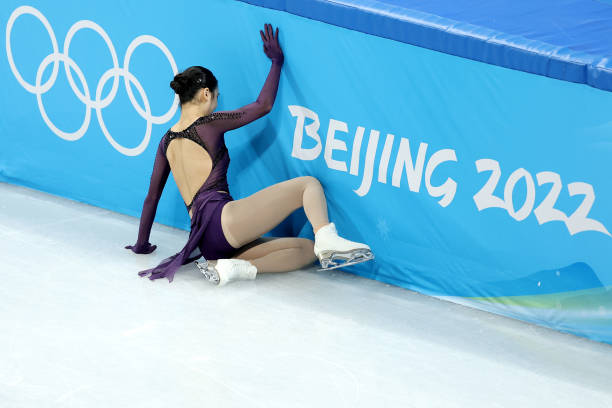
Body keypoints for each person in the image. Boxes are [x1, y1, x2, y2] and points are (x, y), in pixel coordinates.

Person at [125, 23, 373, 286]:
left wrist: (142, 244)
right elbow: (262, 105)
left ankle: (238, 268)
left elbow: (151, 198)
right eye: (217, 96)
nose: (217, 103)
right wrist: (276, 62)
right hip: (224, 222)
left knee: (304, 249)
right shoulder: (209, 124)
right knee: (308, 186)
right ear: (206, 93)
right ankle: (327, 236)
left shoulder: (165, 142)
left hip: (207, 243)